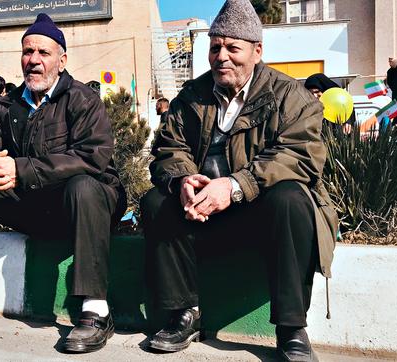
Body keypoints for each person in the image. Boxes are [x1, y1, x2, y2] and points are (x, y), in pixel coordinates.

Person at [140, 1, 338, 361]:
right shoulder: (191, 97)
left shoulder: (290, 96)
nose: (222, 57)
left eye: (233, 48)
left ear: (257, 51)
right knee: (157, 201)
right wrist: (183, 181)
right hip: (202, 215)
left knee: (291, 197)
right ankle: (183, 314)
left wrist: (234, 187)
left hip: (261, 215)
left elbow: (300, 156)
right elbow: (169, 148)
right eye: (216, 47)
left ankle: (291, 328)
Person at [0, 13, 126, 354]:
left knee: (84, 186)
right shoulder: (7, 104)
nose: (34, 61)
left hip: (86, 205)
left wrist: (21, 169)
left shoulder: (83, 100)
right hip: (35, 205)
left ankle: (95, 310)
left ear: (61, 60)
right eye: (28, 52)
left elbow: (92, 159)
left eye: (43, 53)